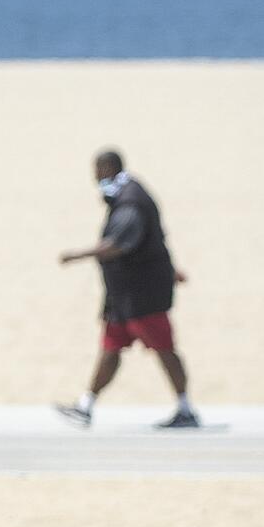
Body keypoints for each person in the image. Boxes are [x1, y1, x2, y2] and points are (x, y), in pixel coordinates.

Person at [55, 150, 198, 429]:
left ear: (108, 168)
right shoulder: (126, 196)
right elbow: (154, 238)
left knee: (165, 350)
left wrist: (76, 255)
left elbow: (118, 244)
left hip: (142, 296)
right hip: (123, 297)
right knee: (111, 349)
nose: (95, 180)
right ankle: (86, 405)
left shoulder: (131, 202)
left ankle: (186, 409)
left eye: (97, 173)